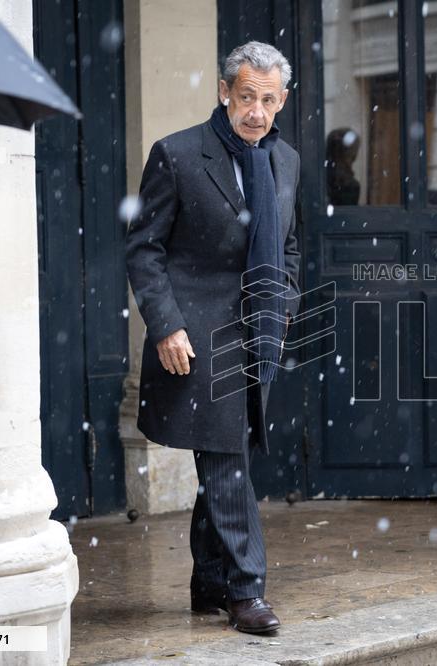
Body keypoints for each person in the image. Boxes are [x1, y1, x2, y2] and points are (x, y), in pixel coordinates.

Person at [125, 41, 301, 635]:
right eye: (246, 96)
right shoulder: (176, 155)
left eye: (268, 99)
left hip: (261, 330)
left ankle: (207, 580)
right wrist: (166, 324)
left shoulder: (287, 161)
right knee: (228, 461)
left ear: (282, 100)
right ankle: (246, 591)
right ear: (225, 91)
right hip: (198, 334)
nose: (256, 111)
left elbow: (289, 246)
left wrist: (286, 302)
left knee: (230, 451)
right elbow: (143, 249)